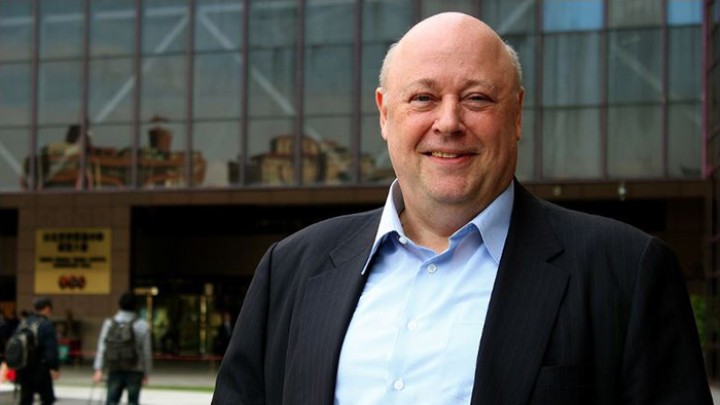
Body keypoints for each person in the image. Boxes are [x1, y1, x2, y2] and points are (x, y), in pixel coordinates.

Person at [211, 12, 712, 405]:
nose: (448, 122)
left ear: (517, 114)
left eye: (476, 98)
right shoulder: (289, 269)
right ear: (384, 113)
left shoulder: (626, 271)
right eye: (423, 98)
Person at [93, 292, 152, 405]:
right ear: (136, 306)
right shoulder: (142, 325)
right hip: (135, 369)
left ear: (119, 304)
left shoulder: (109, 323)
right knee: (133, 401)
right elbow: (146, 352)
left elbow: (102, 347)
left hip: (114, 367)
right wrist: (146, 372)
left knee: (112, 401)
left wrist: (98, 369)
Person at [16, 297, 60, 405]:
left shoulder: (24, 323)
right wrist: (54, 367)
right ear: (47, 309)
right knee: (47, 399)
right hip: (40, 368)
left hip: (23, 367)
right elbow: (50, 348)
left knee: (26, 399)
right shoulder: (46, 325)